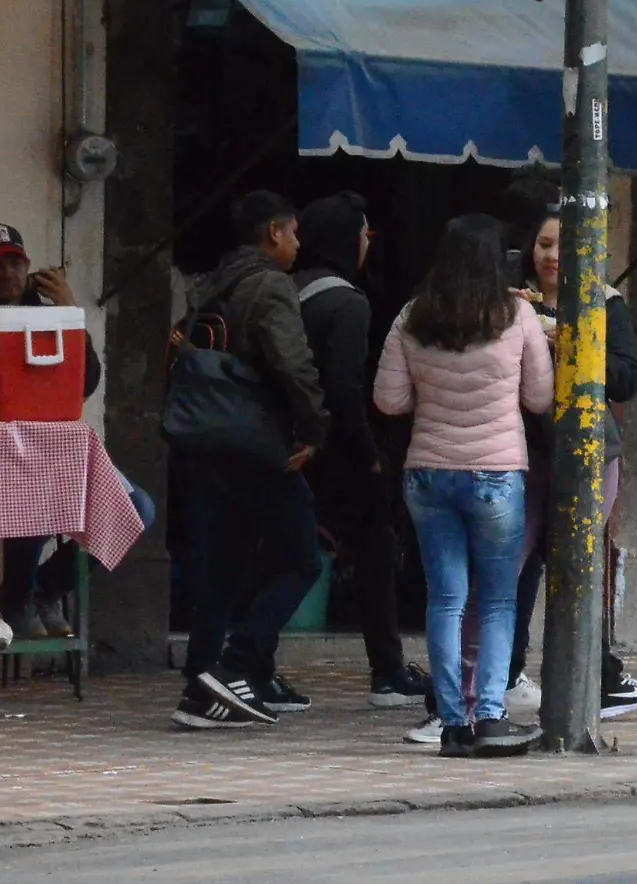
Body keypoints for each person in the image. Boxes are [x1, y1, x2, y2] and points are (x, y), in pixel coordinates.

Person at [375, 215, 550, 758]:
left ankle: (451, 721)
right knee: (497, 601)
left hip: (427, 474)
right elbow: (540, 398)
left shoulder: (412, 316)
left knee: (445, 599)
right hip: (496, 474)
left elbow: (389, 400)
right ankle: (491, 716)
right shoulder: (517, 315)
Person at [505, 211, 637, 720]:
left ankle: (597, 677)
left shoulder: (604, 301)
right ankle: (506, 675)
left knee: (577, 562)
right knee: (512, 567)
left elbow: (627, 378)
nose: (553, 256)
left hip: (587, 452)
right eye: (544, 243)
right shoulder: (508, 299)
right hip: (514, 449)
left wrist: (578, 348)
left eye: (565, 245)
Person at [173, 192, 330, 730]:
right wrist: (313, 429)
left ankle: (201, 684)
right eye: (292, 233)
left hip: (204, 440)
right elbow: (293, 364)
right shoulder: (271, 286)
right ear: (273, 234)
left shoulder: (208, 286)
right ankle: (238, 664)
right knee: (302, 557)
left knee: (222, 568)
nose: (297, 243)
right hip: (257, 444)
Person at [293, 192, 430, 709]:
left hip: (288, 444)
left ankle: (243, 663)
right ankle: (388, 670)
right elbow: (345, 389)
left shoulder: (291, 289)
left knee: (285, 550)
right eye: (365, 235)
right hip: (334, 449)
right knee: (374, 546)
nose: (370, 244)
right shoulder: (347, 303)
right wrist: (368, 453)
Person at [0, 223, 103, 640]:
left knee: (140, 511)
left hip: (51, 451)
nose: (8, 275)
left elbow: (86, 383)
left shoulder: (49, 316)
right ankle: (20, 595)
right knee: (35, 492)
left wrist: (71, 314)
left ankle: (44, 588)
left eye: (16, 264)